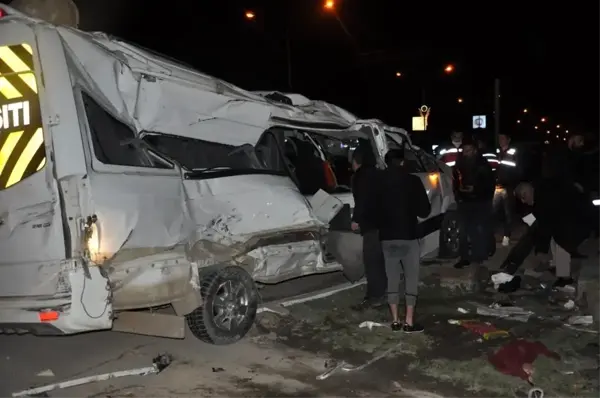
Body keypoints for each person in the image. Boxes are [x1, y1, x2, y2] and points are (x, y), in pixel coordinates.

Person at [500, 180, 593, 289]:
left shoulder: (545, 198)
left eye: (523, 198)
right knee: (555, 241)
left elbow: (545, 227)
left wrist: (541, 250)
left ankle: (565, 279)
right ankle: (557, 270)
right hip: (571, 217)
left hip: (578, 218)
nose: (524, 202)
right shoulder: (536, 200)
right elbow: (534, 228)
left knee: (560, 242)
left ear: (527, 193)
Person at [377, 148, 431, 332]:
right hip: (408, 235)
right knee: (410, 277)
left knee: (392, 278)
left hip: (387, 237)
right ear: (402, 162)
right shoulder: (412, 181)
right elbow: (425, 211)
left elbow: (371, 209)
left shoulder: (378, 182)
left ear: (386, 163)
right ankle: (409, 322)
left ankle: (394, 320)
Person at [350, 147, 387, 309]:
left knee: (372, 261)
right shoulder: (379, 174)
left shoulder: (361, 176)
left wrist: (356, 219)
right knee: (381, 260)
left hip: (371, 224)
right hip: (385, 223)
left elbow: (362, 200)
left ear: (356, 161)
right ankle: (383, 291)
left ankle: (376, 295)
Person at [453, 137, 496, 269]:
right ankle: (464, 257)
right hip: (465, 201)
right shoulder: (459, 164)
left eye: (469, 150)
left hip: (481, 202)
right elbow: (455, 181)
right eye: (464, 150)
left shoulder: (483, 165)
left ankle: (479, 256)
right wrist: (459, 192)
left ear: (475, 151)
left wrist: (476, 189)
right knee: (464, 231)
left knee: (479, 229)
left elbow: (489, 184)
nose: (466, 153)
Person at [495, 133, 521, 247]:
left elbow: (518, 169)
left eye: (503, 138)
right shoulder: (496, 152)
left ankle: (507, 236)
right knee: (493, 211)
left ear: (508, 139)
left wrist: (514, 184)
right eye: (499, 138)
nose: (500, 140)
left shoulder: (513, 152)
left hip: (508, 186)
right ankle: (493, 235)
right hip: (496, 186)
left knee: (508, 212)